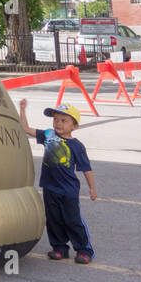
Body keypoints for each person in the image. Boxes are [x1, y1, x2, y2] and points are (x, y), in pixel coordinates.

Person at [19, 100, 97, 263]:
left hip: (68, 190)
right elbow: (26, 129)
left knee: (72, 220)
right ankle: (59, 248)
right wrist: (22, 109)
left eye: (63, 120)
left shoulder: (77, 146)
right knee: (53, 219)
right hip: (50, 188)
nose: (58, 123)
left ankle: (84, 250)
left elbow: (86, 168)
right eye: (55, 119)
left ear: (74, 126)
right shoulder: (48, 135)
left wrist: (92, 188)